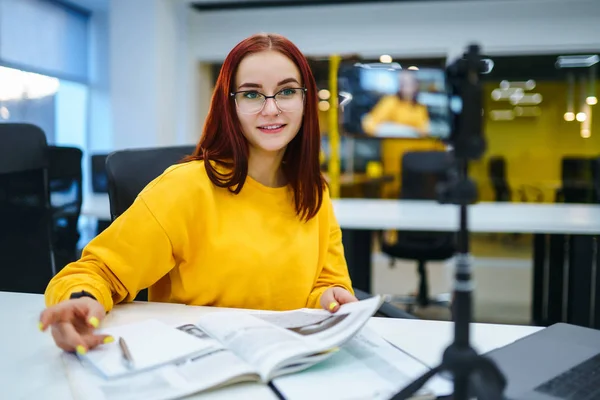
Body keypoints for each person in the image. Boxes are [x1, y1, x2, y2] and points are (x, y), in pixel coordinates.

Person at [39, 33, 357, 355]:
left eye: (287, 91)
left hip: (288, 359)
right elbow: (95, 271)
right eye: (251, 94)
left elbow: (327, 283)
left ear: (305, 101)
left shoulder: (313, 191)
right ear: (228, 104)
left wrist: (331, 298)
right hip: (198, 363)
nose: (271, 108)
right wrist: (80, 302)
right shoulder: (186, 188)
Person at [361, 70, 430, 137]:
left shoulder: (420, 107)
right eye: (401, 83)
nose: (403, 87)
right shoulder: (390, 101)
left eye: (407, 83)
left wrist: (409, 132)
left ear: (415, 85)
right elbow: (369, 124)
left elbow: (424, 131)